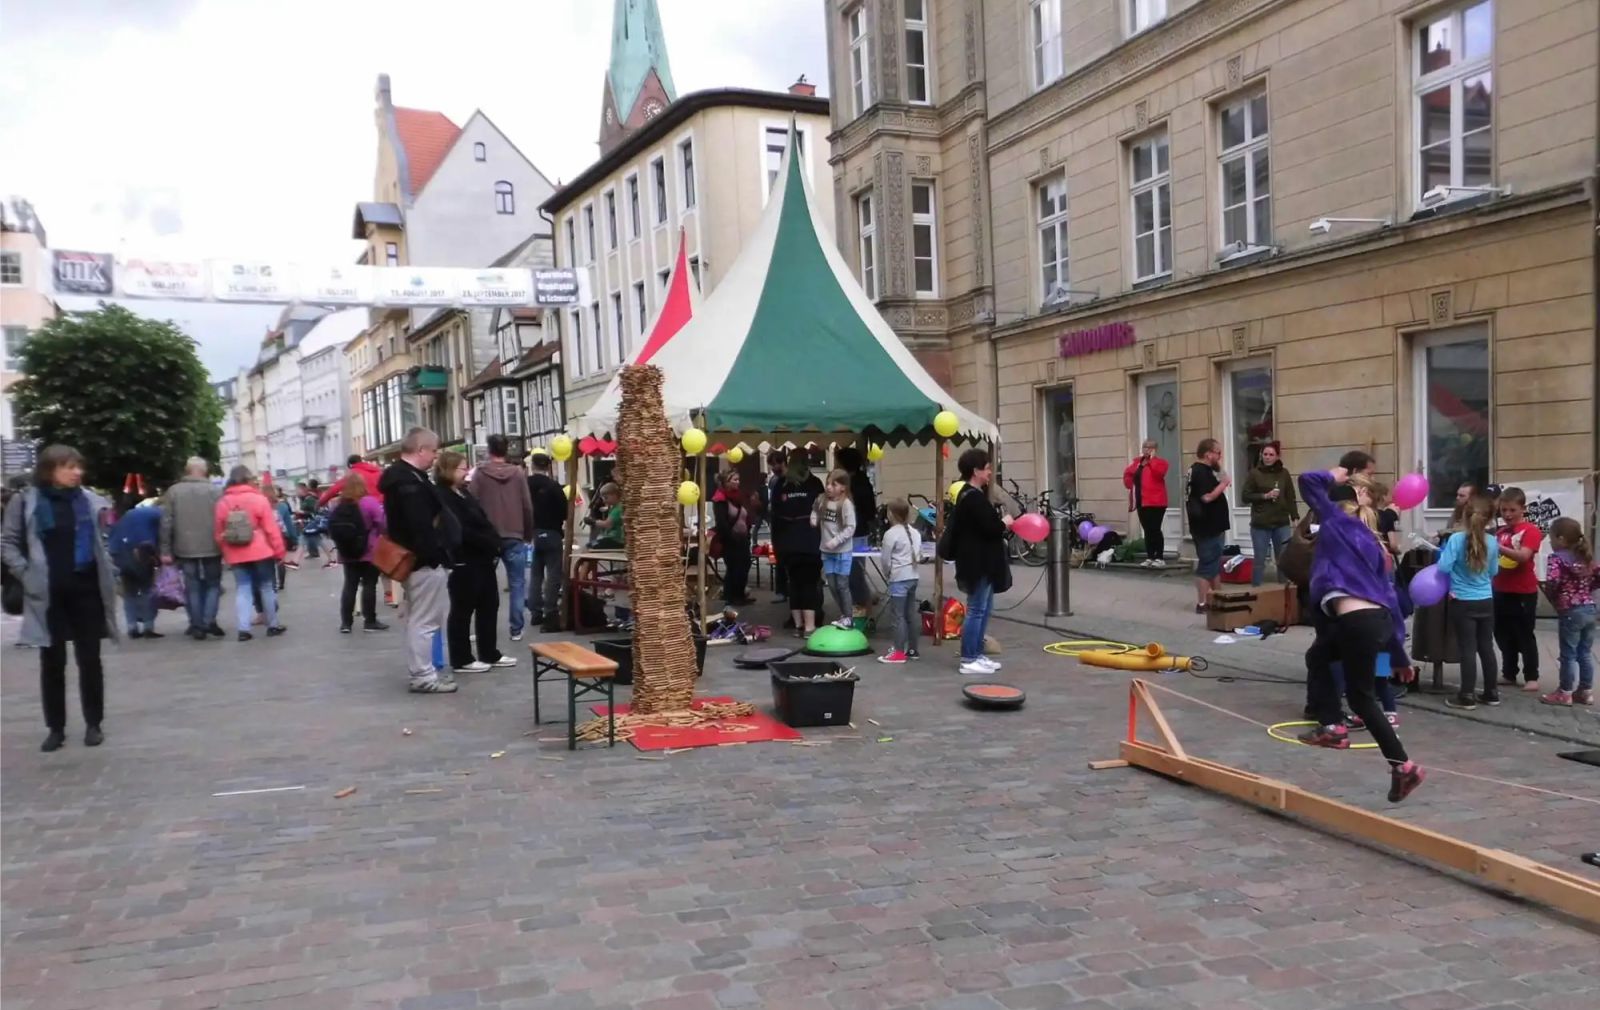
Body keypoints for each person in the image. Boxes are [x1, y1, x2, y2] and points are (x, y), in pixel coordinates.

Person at [1296, 467, 1425, 804]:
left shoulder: (1338, 524)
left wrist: (1333, 475)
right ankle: (1392, 761)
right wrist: (1398, 654)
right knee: (1320, 658)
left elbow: (1308, 482)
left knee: (1361, 698)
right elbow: (1387, 599)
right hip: (1375, 622)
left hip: (1357, 623)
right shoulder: (1372, 544)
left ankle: (1394, 761)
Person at [1, 445, 120, 752]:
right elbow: (8, 542)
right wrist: (25, 574)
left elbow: (103, 541)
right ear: (50, 470)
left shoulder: (90, 500)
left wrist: (110, 568)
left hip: (86, 589)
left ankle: (94, 723)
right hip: (48, 593)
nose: (77, 472)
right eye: (69, 467)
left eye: (79, 467)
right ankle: (56, 728)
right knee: (52, 662)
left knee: (90, 660)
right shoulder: (26, 501)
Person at [380, 427, 456, 694]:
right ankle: (423, 675)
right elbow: (420, 525)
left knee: (419, 619)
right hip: (424, 560)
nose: (435, 457)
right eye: (434, 451)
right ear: (421, 449)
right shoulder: (409, 483)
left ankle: (423, 672)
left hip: (420, 558)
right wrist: (435, 555)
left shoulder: (404, 479)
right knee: (425, 621)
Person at [438, 450, 516, 674]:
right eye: (462, 468)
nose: (466, 472)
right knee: (463, 609)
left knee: (489, 605)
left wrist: (494, 540)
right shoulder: (444, 496)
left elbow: (482, 519)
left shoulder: (464, 493)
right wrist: (485, 541)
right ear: (449, 470)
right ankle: (461, 658)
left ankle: (489, 652)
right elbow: (459, 528)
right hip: (465, 559)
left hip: (483, 558)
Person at [949, 448, 1012, 676]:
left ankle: (976, 653)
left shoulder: (971, 494)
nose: (990, 473)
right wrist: (1004, 522)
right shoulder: (973, 497)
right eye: (986, 468)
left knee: (984, 609)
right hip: (977, 563)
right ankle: (968, 657)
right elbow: (990, 528)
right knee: (976, 610)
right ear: (975, 471)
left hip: (980, 561)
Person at [1437, 494, 1501, 710]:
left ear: (1465, 515)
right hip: (1486, 599)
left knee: (1467, 649)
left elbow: (1443, 567)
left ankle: (1466, 695)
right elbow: (1494, 571)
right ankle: (1491, 693)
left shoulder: (1456, 540)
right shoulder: (1492, 541)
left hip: (1462, 600)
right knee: (1486, 647)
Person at [470, 434, 536, 642]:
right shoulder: (517, 473)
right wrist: (527, 532)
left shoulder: (480, 474)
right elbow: (527, 505)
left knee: (482, 583)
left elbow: (471, 504)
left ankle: (480, 626)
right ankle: (516, 628)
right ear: (506, 450)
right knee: (517, 583)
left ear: (489, 450)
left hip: (487, 536)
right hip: (514, 534)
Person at [214, 466, 287, 641]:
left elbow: (218, 532)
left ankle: (243, 629)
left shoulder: (223, 502)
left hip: (236, 552)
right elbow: (271, 529)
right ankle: (272, 625)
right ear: (248, 480)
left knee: (243, 589)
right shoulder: (259, 499)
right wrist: (279, 551)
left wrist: (225, 550)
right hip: (261, 551)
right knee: (266, 588)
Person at [160, 457, 224, 641]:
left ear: (187, 471)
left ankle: (197, 626)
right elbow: (223, 519)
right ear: (204, 471)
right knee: (213, 585)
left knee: (192, 587)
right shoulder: (215, 491)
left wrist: (165, 549)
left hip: (184, 547)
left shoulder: (174, 492)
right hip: (213, 546)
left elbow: (166, 523)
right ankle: (208, 620)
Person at [1541, 517, 1597, 706]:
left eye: (1551, 538)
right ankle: (1586, 691)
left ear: (1561, 539)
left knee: (1568, 653)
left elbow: (1553, 581)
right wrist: (1588, 589)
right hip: (1589, 608)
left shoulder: (1557, 558)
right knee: (1585, 652)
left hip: (1570, 610)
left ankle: (1565, 692)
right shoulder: (1585, 557)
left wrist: (1552, 594)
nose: (1550, 542)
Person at [1493, 487, 1543, 692]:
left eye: (1512, 510)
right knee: (1503, 634)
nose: (1507, 515)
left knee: (1524, 633)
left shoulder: (1531, 531)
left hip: (1523, 591)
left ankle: (1532, 676)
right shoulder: (1500, 532)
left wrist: (1497, 548)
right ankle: (1509, 672)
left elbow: (1523, 556)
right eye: (1504, 510)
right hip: (1500, 589)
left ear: (1522, 509)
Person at [772, 450, 825, 636]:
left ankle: (798, 626)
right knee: (810, 583)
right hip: (811, 541)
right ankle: (810, 626)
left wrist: (777, 546)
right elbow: (824, 513)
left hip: (788, 543)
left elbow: (775, 518)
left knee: (794, 583)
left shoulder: (780, 485)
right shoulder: (815, 483)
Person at [327, 472, 388, 633]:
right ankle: (370, 621)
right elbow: (383, 524)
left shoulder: (339, 504)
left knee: (349, 586)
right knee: (369, 585)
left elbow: (331, 527)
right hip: (369, 551)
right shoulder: (369, 502)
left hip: (347, 552)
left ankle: (346, 623)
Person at [1242, 441, 1298, 586]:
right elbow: (1245, 496)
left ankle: (1284, 591)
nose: (1267, 457)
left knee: (1283, 559)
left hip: (1281, 522)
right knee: (1259, 559)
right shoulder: (1255, 473)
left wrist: (1294, 516)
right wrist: (1264, 496)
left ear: (1277, 456)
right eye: (1265, 454)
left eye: (1271, 455)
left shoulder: (1284, 473)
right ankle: (1256, 590)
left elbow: (1290, 496)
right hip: (1261, 523)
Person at [1187, 438, 1232, 613]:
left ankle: (1218, 597)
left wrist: (1219, 470)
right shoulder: (1200, 471)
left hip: (1211, 525)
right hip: (1207, 526)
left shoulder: (1202, 470)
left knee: (1213, 564)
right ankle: (1203, 603)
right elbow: (1207, 497)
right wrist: (1223, 484)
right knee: (1207, 565)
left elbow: (1221, 476)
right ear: (1208, 454)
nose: (1220, 456)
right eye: (1218, 453)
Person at [108, 500, 163, 638]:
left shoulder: (131, 515)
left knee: (129, 593)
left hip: (120, 553)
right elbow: (159, 536)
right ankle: (148, 627)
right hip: (141, 552)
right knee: (146, 591)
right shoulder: (160, 515)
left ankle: (132, 627)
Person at [876, 499, 922, 664]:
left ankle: (898, 652)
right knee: (910, 615)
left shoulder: (891, 534)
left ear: (890, 514)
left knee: (897, 616)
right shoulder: (914, 532)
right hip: (913, 576)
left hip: (899, 577)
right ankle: (913, 649)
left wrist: (887, 573)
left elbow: (885, 559)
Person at [525, 452, 567, 630]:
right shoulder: (554, 486)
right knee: (553, 574)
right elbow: (564, 512)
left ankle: (535, 612)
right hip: (552, 533)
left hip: (533, 533)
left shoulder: (524, 485)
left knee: (535, 574)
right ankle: (550, 611)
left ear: (532, 466)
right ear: (548, 466)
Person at [813, 469, 857, 630]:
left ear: (843, 488)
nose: (829, 487)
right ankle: (843, 614)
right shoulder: (822, 500)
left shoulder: (845, 504)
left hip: (842, 551)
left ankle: (849, 617)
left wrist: (836, 541)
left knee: (842, 585)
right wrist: (813, 518)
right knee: (831, 584)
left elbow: (851, 527)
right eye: (827, 483)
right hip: (827, 552)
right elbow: (815, 509)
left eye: (834, 484)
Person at [836, 447, 876, 607]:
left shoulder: (856, 484)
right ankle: (861, 602)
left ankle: (860, 605)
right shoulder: (861, 481)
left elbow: (868, 509)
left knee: (853, 572)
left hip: (855, 533)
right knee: (852, 571)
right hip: (856, 531)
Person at [1122, 439, 1169, 568]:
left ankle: (1159, 557)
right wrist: (1130, 483)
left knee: (1155, 529)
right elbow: (1128, 474)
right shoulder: (1137, 463)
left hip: (1156, 502)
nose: (1146, 450)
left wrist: (1152, 460)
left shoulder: (1160, 463)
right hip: (1141, 501)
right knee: (1147, 530)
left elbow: (1159, 474)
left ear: (1155, 449)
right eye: (1145, 447)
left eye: (1150, 447)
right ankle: (1150, 556)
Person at [713, 469, 754, 606]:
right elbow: (721, 522)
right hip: (730, 540)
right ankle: (732, 596)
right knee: (734, 568)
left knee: (745, 565)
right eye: (734, 480)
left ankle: (740, 594)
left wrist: (747, 533)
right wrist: (731, 537)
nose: (738, 482)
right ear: (726, 482)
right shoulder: (720, 499)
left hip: (742, 539)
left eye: (738, 479)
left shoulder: (737, 497)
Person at [765, 451, 789, 601]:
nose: (774, 467)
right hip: (777, 525)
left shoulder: (789, 480)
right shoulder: (774, 481)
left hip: (788, 525)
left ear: (783, 462)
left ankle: (789, 589)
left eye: (776, 463)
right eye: (771, 464)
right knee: (779, 558)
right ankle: (781, 591)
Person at [589, 483, 624, 548]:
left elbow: (607, 524)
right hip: (613, 538)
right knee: (593, 543)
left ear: (615, 495)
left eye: (606, 498)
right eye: (603, 498)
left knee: (591, 545)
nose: (604, 501)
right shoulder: (615, 507)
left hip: (616, 540)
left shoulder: (618, 509)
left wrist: (593, 522)